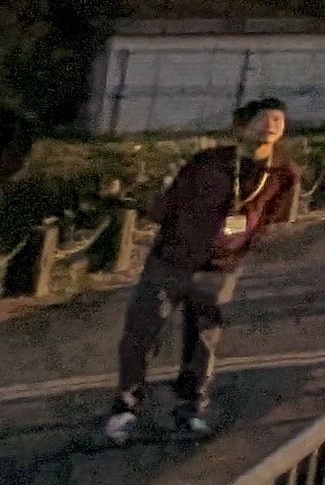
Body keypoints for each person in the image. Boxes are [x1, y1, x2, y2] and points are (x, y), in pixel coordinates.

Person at [103, 98, 298, 442]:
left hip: (220, 269)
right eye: (263, 118)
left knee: (203, 340)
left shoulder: (283, 172)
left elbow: (272, 217)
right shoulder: (209, 161)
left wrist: (242, 244)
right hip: (171, 261)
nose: (271, 124)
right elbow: (167, 204)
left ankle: (190, 409)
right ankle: (125, 408)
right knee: (142, 333)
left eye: (278, 120)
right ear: (242, 125)